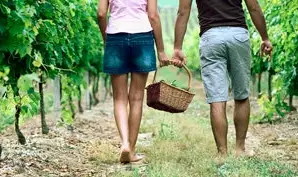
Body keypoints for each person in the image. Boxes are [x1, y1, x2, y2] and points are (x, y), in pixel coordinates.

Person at [172, 0, 273, 157]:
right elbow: (253, 7)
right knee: (241, 95)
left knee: (217, 99)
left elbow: (183, 12)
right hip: (238, 35)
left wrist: (177, 47)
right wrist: (265, 37)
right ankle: (240, 149)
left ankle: (222, 153)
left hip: (211, 38)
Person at [98, 0, 169, 164]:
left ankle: (124, 144)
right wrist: (161, 50)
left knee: (119, 98)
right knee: (136, 98)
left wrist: (106, 38)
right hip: (142, 36)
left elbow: (101, 14)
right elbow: (153, 15)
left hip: (116, 36)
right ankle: (132, 148)